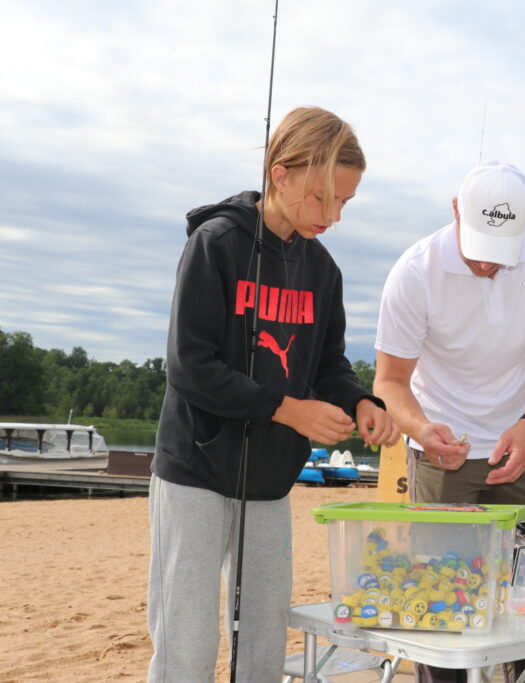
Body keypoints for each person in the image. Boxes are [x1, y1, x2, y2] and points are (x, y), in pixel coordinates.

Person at [148, 106, 399, 682]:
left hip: (269, 477)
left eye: (345, 202)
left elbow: (327, 364)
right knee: (187, 641)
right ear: (280, 175)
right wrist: (288, 410)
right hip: (194, 468)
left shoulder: (323, 270)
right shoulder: (216, 243)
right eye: (321, 198)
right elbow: (189, 366)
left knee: (262, 641)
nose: (332, 216)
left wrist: (362, 402)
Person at [374, 160, 525, 683]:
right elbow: (390, 381)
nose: (488, 264)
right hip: (441, 449)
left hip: (518, 443)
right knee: (442, 605)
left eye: (500, 251)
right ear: (455, 211)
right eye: (479, 248)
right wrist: (422, 430)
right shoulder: (414, 272)